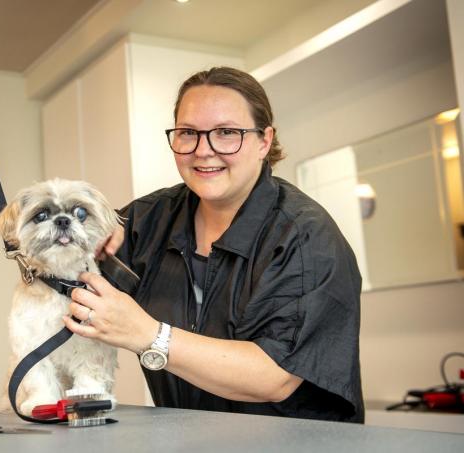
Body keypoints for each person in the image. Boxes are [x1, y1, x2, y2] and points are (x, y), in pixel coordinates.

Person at [63, 66, 364, 423]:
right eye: (188, 133)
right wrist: (75, 230)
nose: (203, 151)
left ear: (264, 141)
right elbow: (65, 280)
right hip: (190, 439)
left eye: (226, 133)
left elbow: (276, 376)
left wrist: (149, 335)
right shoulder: (148, 220)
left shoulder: (305, 237)